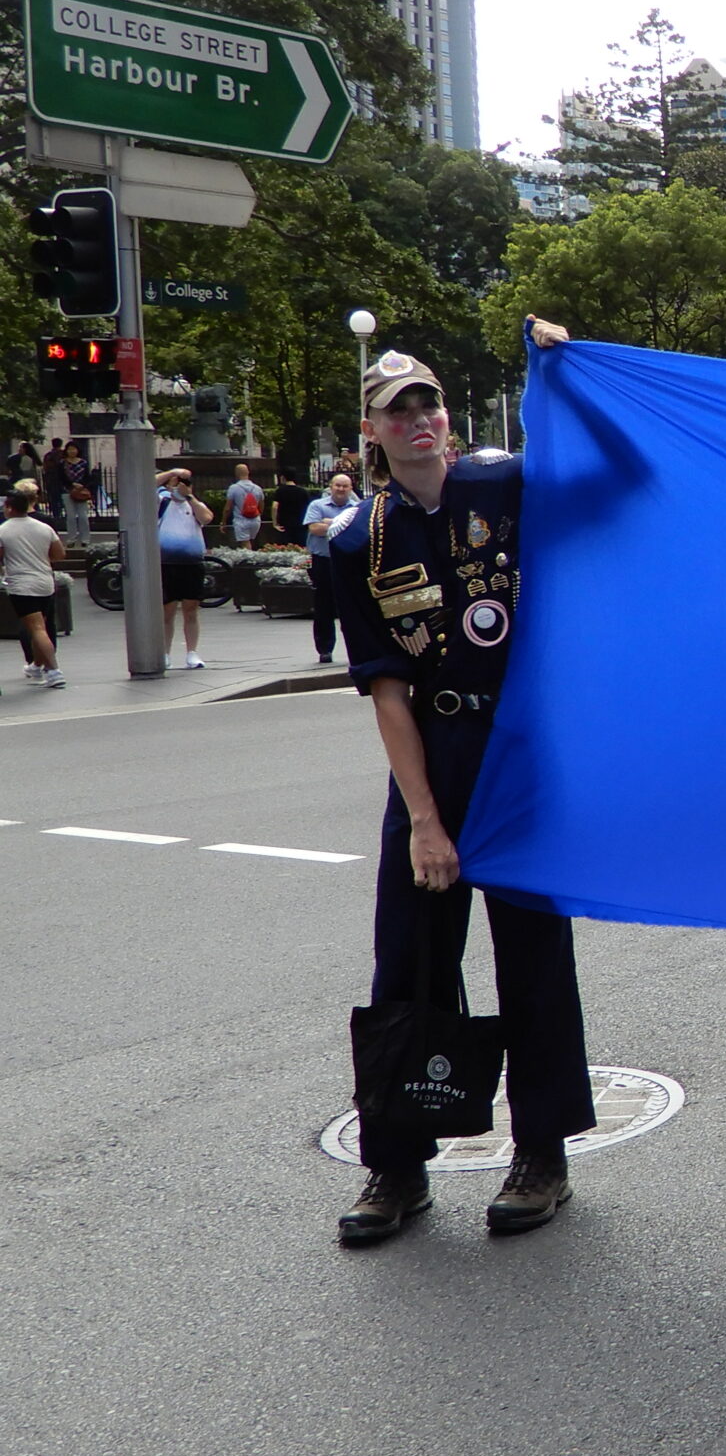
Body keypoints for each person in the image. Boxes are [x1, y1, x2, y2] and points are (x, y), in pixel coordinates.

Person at [329, 333, 597, 1246]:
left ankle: (543, 1156)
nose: (418, 420)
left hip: (520, 750)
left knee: (533, 956)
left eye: (428, 404)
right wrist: (425, 822)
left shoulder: (499, 484)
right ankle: (396, 1168)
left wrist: (567, 369)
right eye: (398, 410)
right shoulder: (354, 541)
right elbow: (388, 691)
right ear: (371, 430)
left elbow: (607, 475)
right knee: (408, 963)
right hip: (432, 756)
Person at [4, 484, 67, 689]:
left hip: (22, 585)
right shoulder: (43, 527)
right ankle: (36, 665)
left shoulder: (4, 531)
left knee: (37, 628)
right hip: (45, 582)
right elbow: (59, 554)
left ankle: (54, 671)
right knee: (42, 626)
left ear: (10, 508)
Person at [156, 468, 213, 669]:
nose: (180, 485)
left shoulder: (194, 504)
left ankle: (192, 652)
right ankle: (164, 653)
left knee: (191, 609)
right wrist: (172, 473)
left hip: (192, 563)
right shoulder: (161, 501)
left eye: (185, 482)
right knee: (167, 611)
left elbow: (206, 518)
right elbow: (147, 485)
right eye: (176, 482)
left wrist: (190, 496)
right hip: (166, 563)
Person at [302, 471, 356, 663]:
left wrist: (330, 523)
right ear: (331, 487)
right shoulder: (317, 505)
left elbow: (360, 530)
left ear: (351, 489)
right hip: (323, 561)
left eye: (345, 486)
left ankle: (356, 649)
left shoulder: (357, 508)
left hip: (349, 562)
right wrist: (343, 524)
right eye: (337, 485)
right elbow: (314, 529)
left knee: (352, 607)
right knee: (323, 606)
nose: (341, 489)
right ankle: (325, 649)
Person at [222, 462, 265, 548]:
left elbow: (227, 508)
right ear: (248, 472)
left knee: (245, 543)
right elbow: (261, 505)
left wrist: (223, 522)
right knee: (251, 541)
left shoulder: (234, 488)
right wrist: (258, 515)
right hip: (255, 520)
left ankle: (248, 560)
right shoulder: (257, 488)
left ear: (236, 473)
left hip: (241, 520)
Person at [59, 443, 92, 545]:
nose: (72, 451)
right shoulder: (62, 463)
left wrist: (82, 485)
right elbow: (61, 478)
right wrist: (71, 485)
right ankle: (71, 539)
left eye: (74, 449)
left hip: (81, 492)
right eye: (70, 449)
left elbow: (88, 477)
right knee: (71, 516)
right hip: (67, 491)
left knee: (83, 516)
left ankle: (85, 539)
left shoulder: (83, 463)